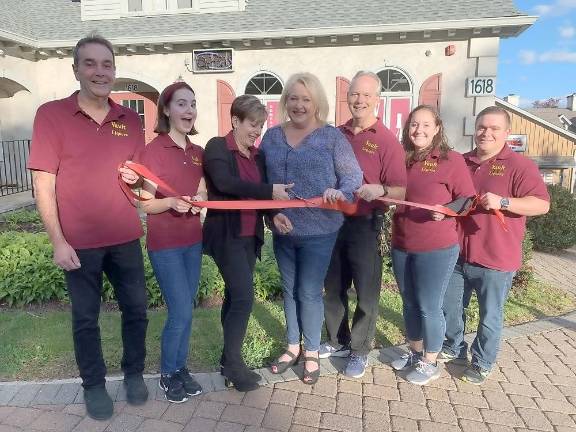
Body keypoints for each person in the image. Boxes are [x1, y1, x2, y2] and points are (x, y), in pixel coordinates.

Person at [27, 33, 148, 420]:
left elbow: (142, 182)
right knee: (85, 319)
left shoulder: (130, 119)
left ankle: (134, 374)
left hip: (126, 237)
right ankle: (93, 386)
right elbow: (43, 182)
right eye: (91, 63)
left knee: (137, 311)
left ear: (115, 70)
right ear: (76, 69)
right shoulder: (51, 114)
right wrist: (58, 242)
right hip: (79, 244)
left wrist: (137, 180)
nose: (100, 71)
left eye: (107, 64)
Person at [260, 72, 363, 384]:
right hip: (283, 228)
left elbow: (353, 176)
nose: (299, 104)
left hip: (320, 229)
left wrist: (340, 193)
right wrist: (272, 214)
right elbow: (263, 183)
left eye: (306, 98)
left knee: (308, 291)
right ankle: (292, 346)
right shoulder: (272, 137)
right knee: (289, 291)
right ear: (285, 102)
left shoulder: (331, 137)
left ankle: (312, 352)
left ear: (317, 102)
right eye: (293, 98)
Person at [441, 106, 550, 385]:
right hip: (455, 254)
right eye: (481, 127)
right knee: (450, 309)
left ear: (506, 133)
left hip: (496, 259)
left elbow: (541, 204)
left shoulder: (520, 166)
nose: (486, 133)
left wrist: (504, 202)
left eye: (494, 128)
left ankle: (482, 362)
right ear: (474, 129)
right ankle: (453, 347)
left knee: (490, 316)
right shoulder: (461, 161)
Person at [202, 95, 294, 392]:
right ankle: (234, 365)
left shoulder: (258, 156)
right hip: (225, 237)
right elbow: (225, 183)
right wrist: (270, 190)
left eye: (261, 126)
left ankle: (226, 361)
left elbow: (261, 196)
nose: (257, 131)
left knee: (234, 296)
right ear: (235, 121)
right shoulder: (217, 147)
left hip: (249, 236)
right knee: (243, 297)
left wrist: (274, 212)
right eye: (253, 124)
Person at [321, 71, 407, 379]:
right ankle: (337, 340)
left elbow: (401, 190)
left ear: (377, 100)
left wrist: (381, 190)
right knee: (333, 287)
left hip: (366, 223)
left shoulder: (387, 142)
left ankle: (359, 350)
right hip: (332, 220)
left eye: (367, 95)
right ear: (348, 97)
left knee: (366, 292)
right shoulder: (335, 134)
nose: (360, 100)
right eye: (355, 94)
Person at [388, 105, 476, 385]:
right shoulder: (401, 158)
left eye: (426, 125)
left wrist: (448, 209)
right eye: (414, 124)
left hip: (436, 247)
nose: (419, 130)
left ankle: (431, 360)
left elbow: (467, 198)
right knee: (409, 303)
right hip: (402, 243)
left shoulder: (452, 160)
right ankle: (415, 353)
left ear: (437, 128)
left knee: (429, 305)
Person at [129, 82, 205, 403]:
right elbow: (144, 203)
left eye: (192, 104)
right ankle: (167, 373)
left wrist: (198, 199)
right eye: (181, 104)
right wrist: (172, 203)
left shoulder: (198, 153)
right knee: (181, 311)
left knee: (186, 310)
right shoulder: (152, 151)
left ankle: (181, 368)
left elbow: (203, 192)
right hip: (165, 244)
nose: (188, 111)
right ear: (166, 110)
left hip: (193, 241)